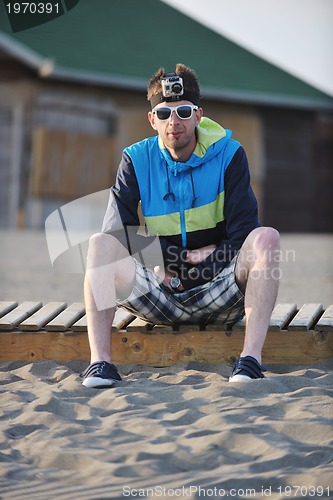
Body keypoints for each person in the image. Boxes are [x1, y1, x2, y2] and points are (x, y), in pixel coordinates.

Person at [80, 63, 280, 388]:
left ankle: (249, 362)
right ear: (152, 120)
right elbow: (119, 233)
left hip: (219, 291)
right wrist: (174, 260)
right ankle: (100, 364)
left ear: (199, 115)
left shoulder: (230, 155)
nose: (174, 122)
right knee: (99, 245)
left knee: (267, 239)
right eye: (164, 114)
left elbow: (244, 234)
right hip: (161, 291)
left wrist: (206, 263)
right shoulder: (135, 159)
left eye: (183, 111)